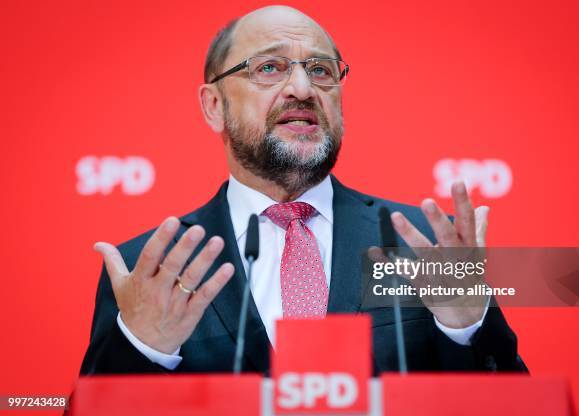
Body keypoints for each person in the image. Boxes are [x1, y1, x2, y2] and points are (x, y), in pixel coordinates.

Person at [80, 5, 527, 375]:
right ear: (214, 106)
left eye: (320, 70)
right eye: (269, 68)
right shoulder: (149, 269)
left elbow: (516, 403)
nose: (302, 88)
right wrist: (144, 351)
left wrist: (468, 326)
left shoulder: (425, 245)